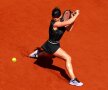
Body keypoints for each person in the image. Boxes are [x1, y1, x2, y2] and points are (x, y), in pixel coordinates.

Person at [29, 7, 83, 86]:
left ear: (60, 16)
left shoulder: (61, 21)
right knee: (68, 58)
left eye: (57, 17)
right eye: (54, 17)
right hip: (52, 46)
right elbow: (66, 22)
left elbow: (69, 29)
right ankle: (73, 79)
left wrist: (72, 18)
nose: (55, 19)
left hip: (53, 44)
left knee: (49, 55)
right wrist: (76, 14)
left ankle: (37, 53)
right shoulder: (55, 23)